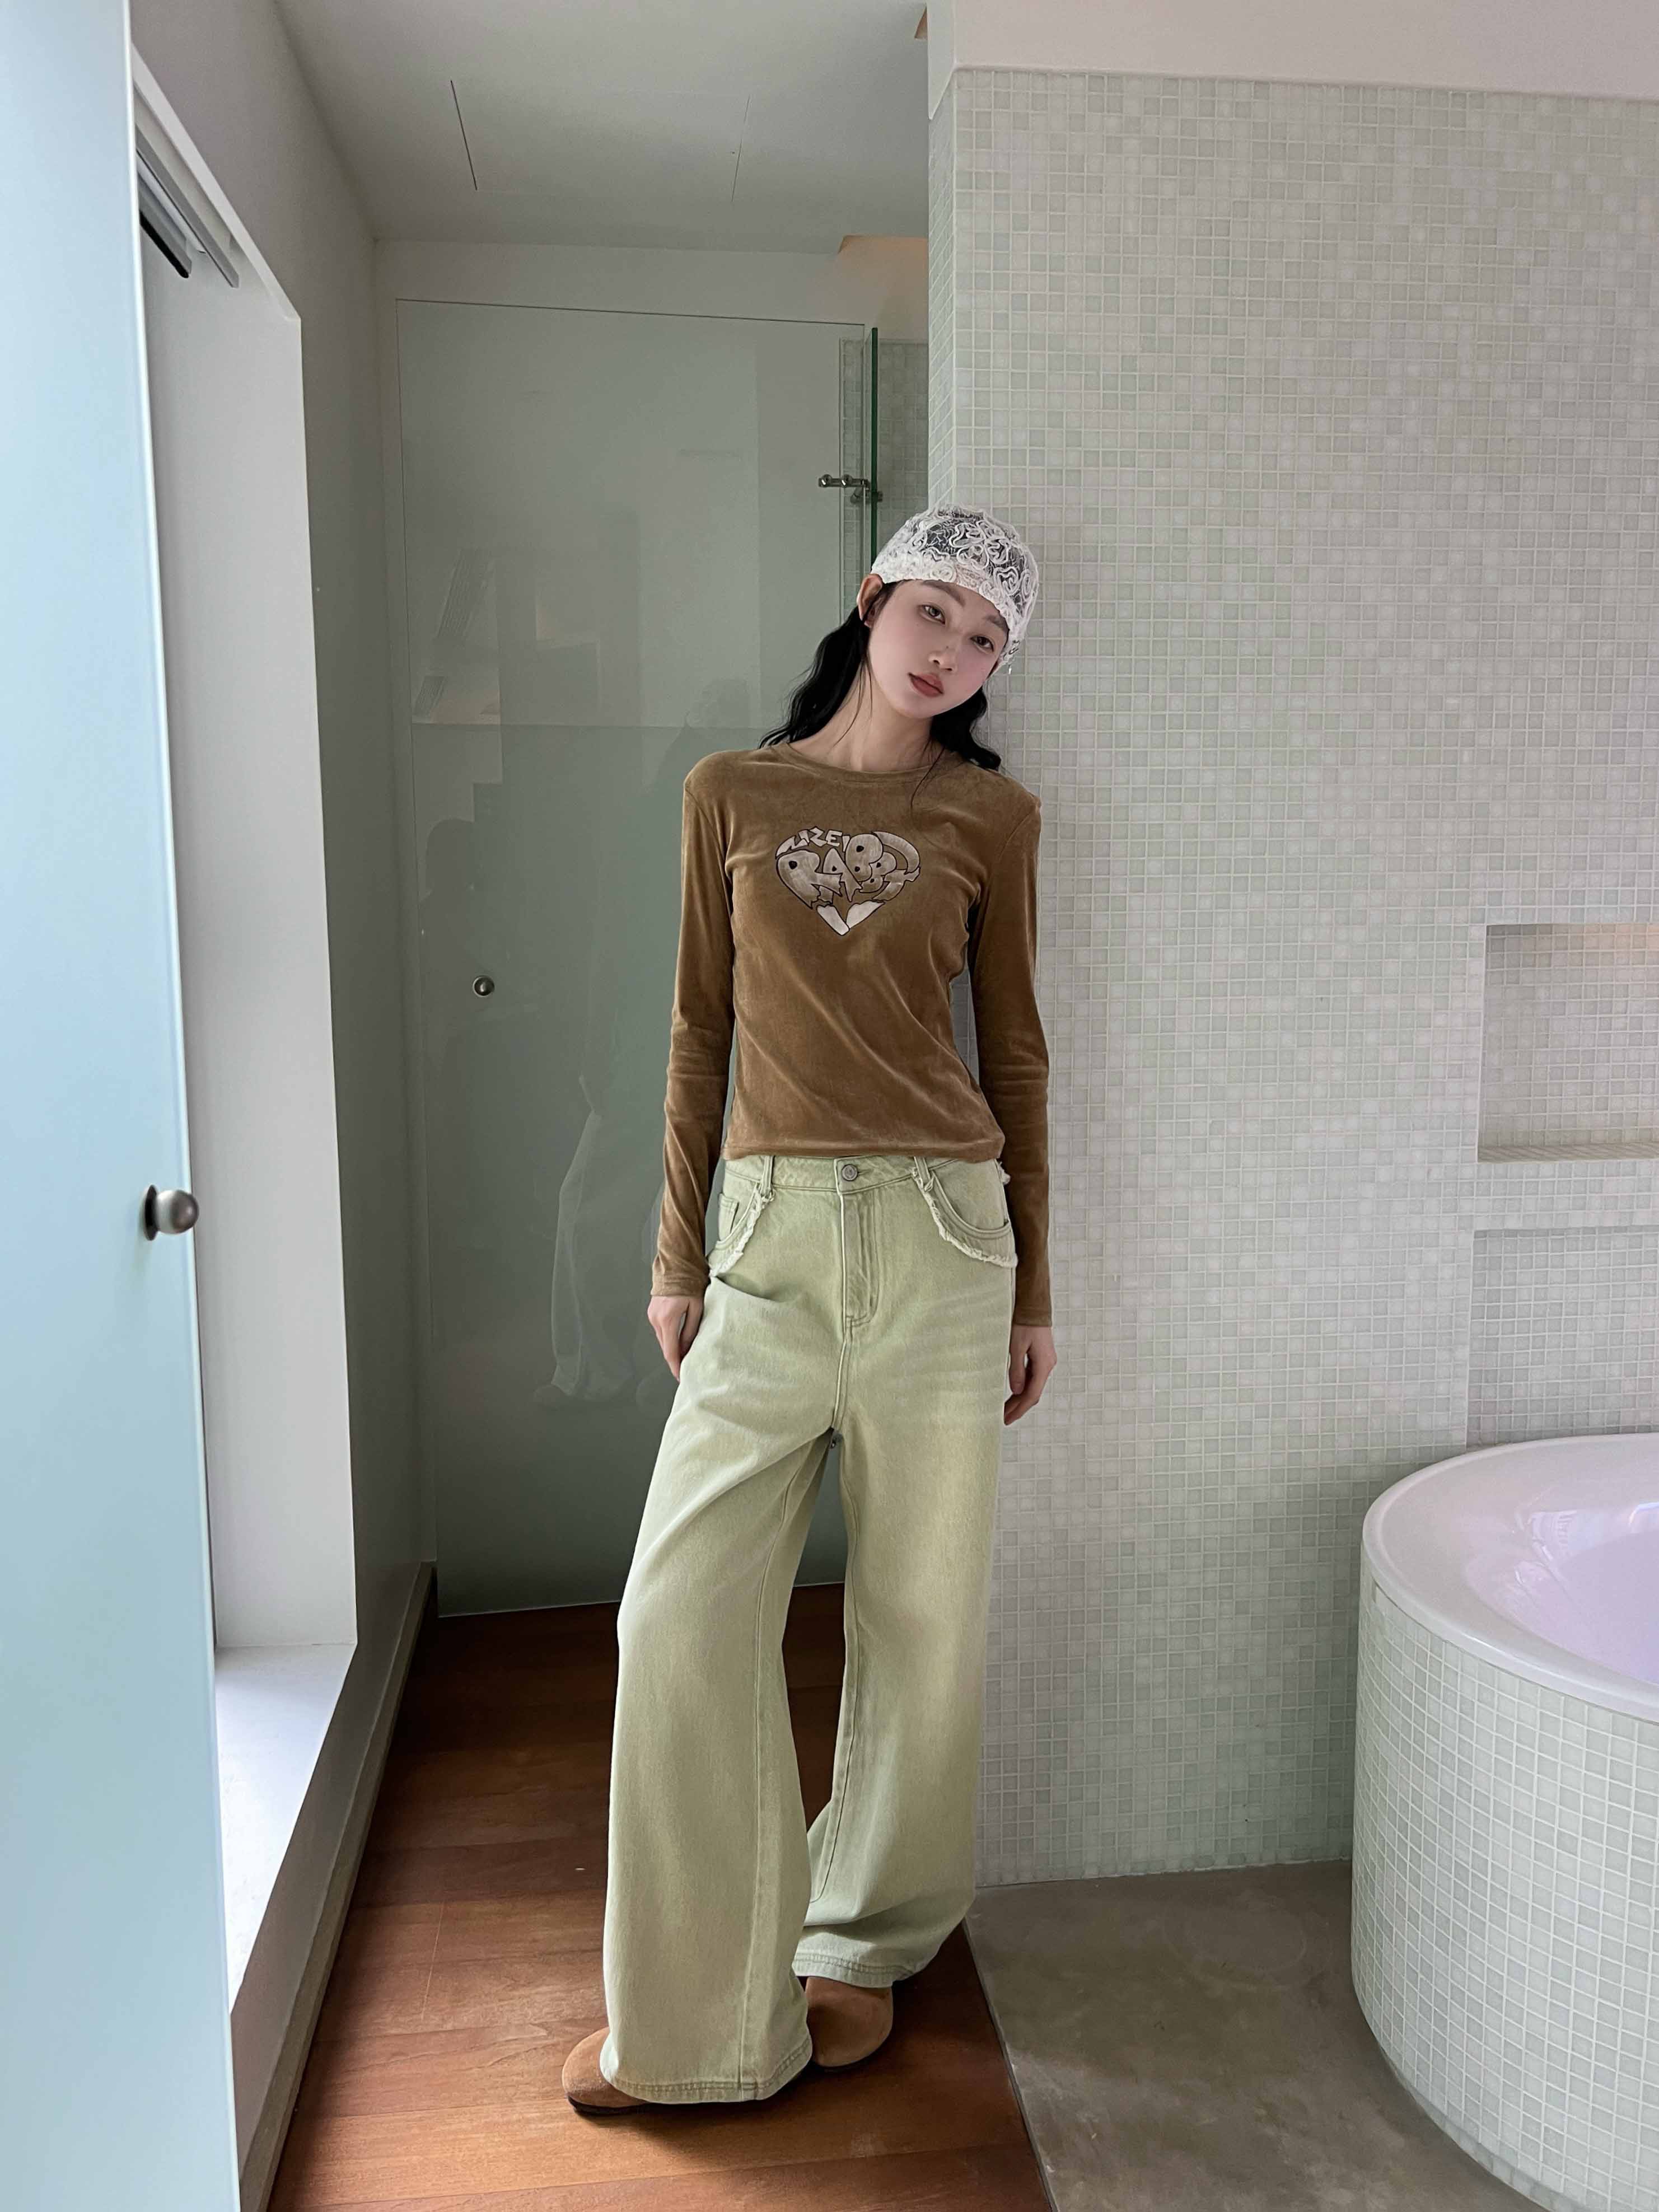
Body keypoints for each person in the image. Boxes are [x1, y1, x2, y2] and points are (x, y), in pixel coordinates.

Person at [562, 503, 1057, 2111]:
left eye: (985, 639)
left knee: (920, 1616)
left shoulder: (990, 817)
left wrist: (1036, 1285)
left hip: (943, 1236)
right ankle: (698, 2024)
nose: (952, 653)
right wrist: (675, 1256)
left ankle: (862, 1940)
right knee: (677, 1615)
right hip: (766, 1237)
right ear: (872, 597)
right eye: (935, 612)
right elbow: (697, 1032)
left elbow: (1015, 1052)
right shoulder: (731, 792)